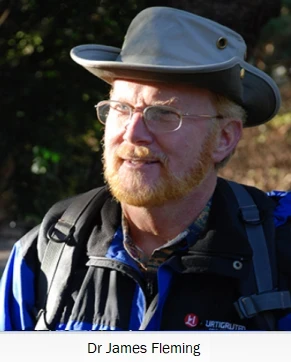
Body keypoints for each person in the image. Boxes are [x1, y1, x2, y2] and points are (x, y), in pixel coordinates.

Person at [0, 6, 291, 331]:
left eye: (164, 114)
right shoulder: (44, 255)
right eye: (121, 108)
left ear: (224, 138)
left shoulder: (278, 252)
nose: (133, 133)